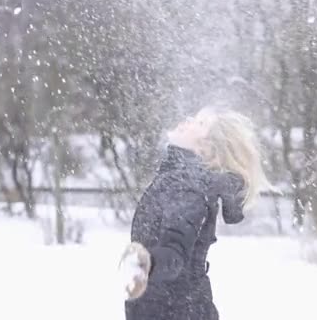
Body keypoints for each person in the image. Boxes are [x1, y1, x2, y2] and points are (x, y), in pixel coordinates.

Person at [118, 106, 275, 320]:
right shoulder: (177, 179)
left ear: (207, 150)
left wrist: (147, 264)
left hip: (177, 311)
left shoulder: (188, 188)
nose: (188, 120)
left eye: (200, 124)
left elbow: (176, 255)